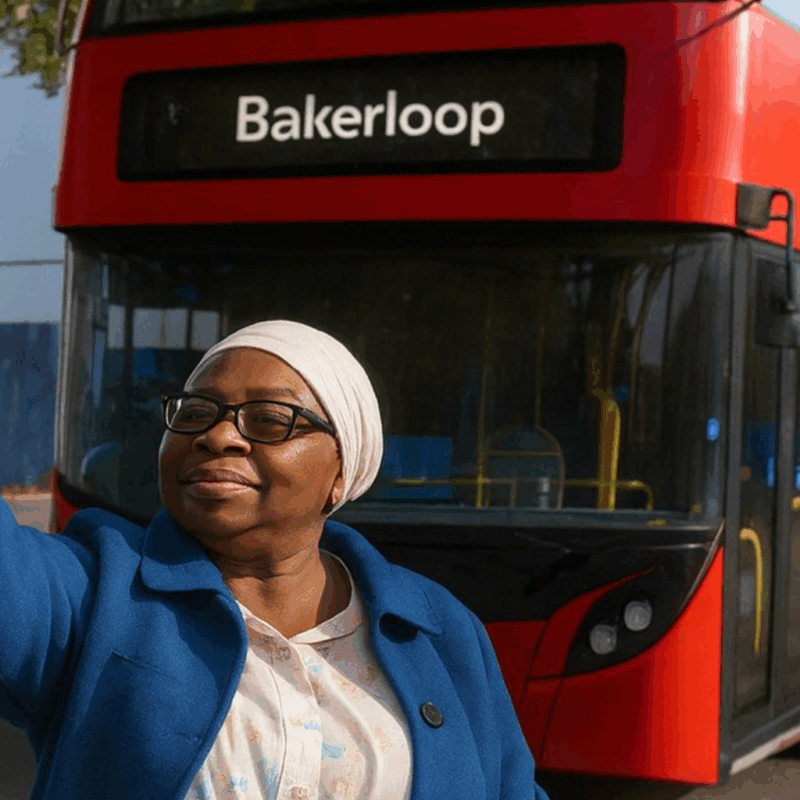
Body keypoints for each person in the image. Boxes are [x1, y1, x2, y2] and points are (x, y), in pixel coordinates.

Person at [0, 319, 551, 800]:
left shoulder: (439, 631)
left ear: (341, 472)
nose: (217, 435)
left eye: (268, 420)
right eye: (194, 413)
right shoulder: (94, 589)